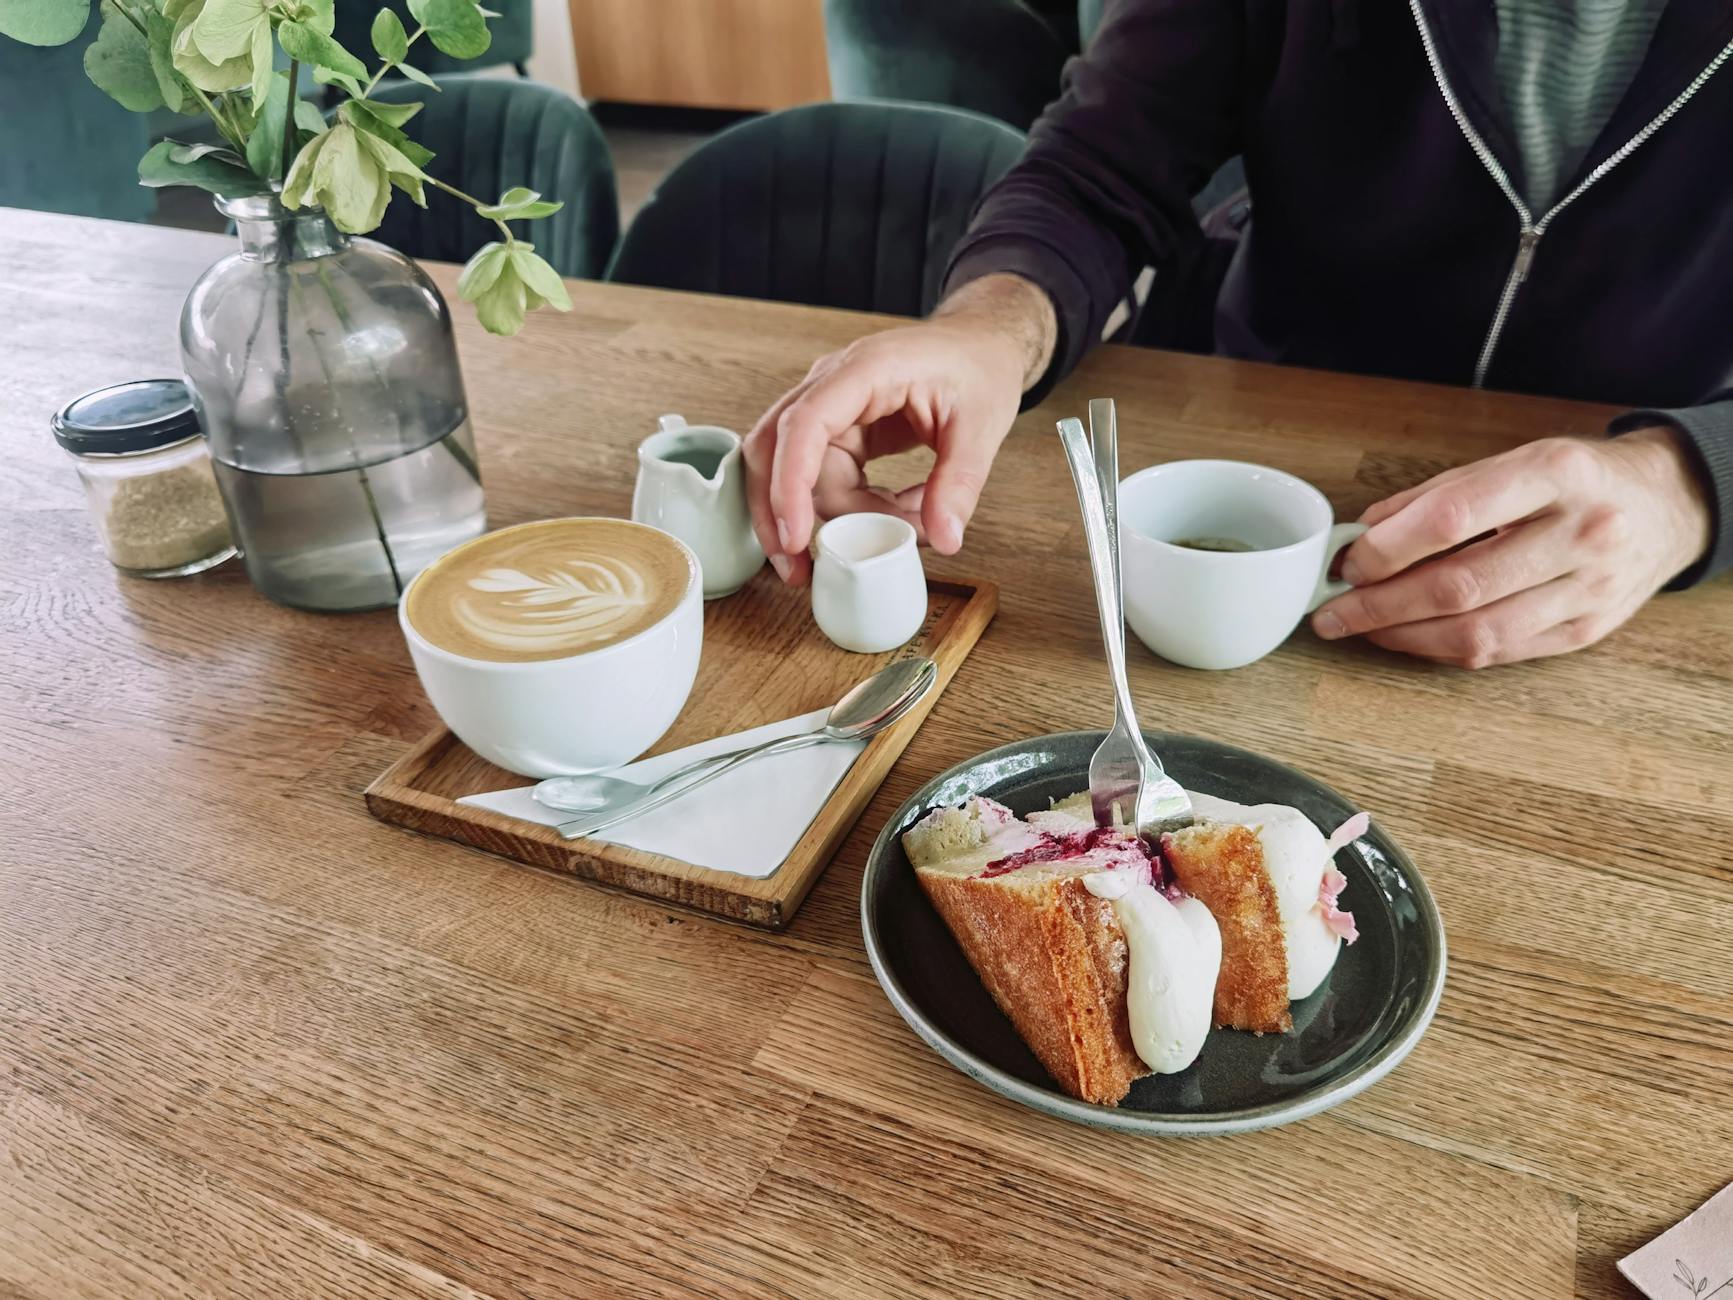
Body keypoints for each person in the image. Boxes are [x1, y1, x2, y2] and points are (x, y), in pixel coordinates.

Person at [743, 0, 1731, 668]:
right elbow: (1101, 162)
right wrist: (985, 330)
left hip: (1633, 589)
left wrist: (1689, 486)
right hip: (1257, 422)